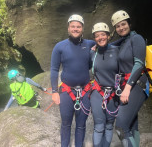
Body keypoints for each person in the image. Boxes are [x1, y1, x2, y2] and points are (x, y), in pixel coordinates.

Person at [50, 14, 95, 147]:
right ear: (68, 28)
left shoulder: (90, 44)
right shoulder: (60, 47)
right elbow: (53, 69)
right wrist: (54, 91)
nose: (75, 29)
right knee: (66, 124)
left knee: (81, 125)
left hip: (85, 91)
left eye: (78, 26)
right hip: (66, 91)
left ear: (82, 28)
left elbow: (107, 43)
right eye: (73, 26)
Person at [111, 10, 149, 147]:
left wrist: (127, 88)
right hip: (127, 85)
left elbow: (139, 64)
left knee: (121, 127)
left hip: (136, 84)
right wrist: (95, 47)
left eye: (123, 24)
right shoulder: (122, 42)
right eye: (118, 26)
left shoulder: (137, 38)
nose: (121, 28)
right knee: (131, 126)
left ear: (129, 23)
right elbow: (109, 46)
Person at [90, 22, 120, 147]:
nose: (100, 38)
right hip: (98, 93)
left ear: (108, 36)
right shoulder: (93, 53)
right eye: (97, 36)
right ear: (94, 39)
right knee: (99, 125)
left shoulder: (117, 51)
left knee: (109, 125)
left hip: (113, 93)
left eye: (103, 34)